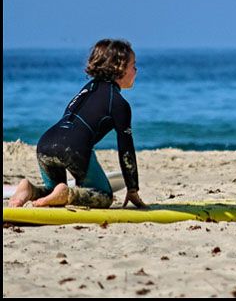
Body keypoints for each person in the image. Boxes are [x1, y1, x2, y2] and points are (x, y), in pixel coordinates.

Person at [8, 39, 145, 210]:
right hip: (74, 149)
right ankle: (68, 194)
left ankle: (30, 189)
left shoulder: (87, 88)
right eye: (133, 65)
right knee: (104, 197)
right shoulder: (119, 104)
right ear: (120, 68)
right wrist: (132, 188)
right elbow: (126, 150)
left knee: (52, 191)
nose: (136, 70)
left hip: (45, 144)